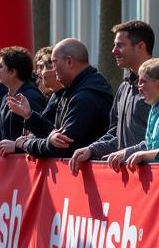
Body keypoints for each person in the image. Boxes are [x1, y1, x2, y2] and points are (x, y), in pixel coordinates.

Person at [68, 21, 153, 175]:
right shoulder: (124, 88)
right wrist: (91, 149)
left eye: (120, 45)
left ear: (140, 46)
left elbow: (156, 140)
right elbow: (116, 134)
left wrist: (129, 152)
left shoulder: (156, 86)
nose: (114, 51)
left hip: (152, 184)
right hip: (129, 181)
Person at [17, 39, 114, 158]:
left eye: (54, 62)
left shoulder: (85, 96)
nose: (53, 68)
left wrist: (26, 144)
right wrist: (30, 116)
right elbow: (55, 133)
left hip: (85, 173)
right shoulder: (71, 90)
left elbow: (62, 146)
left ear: (69, 61)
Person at [0, 46, 46, 156]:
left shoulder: (32, 97)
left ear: (12, 72)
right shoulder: (6, 97)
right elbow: (1, 131)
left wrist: (17, 147)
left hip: (28, 169)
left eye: (1, 67)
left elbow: (41, 136)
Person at [109, 58, 159, 168]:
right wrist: (127, 152)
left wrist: (143, 155)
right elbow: (149, 145)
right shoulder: (154, 108)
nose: (139, 87)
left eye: (143, 82)